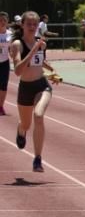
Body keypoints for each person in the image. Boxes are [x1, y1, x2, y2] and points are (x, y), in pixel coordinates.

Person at [11, 11, 58, 173]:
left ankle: (37, 159)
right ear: (22, 25)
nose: (32, 27)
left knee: (38, 115)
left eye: (34, 24)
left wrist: (51, 69)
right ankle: (20, 130)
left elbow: (39, 61)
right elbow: (18, 71)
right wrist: (33, 50)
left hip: (41, 85)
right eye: (29, 24)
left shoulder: (41, 44)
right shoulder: (17, 44)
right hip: (25, 88)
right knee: (26, 124)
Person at [0, 12, 11, 115]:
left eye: (4, 20)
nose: (2, 22)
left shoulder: (10, 34)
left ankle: (1, 106)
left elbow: (13, 49)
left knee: (3, 86)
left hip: (4, 62)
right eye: (0, 20)